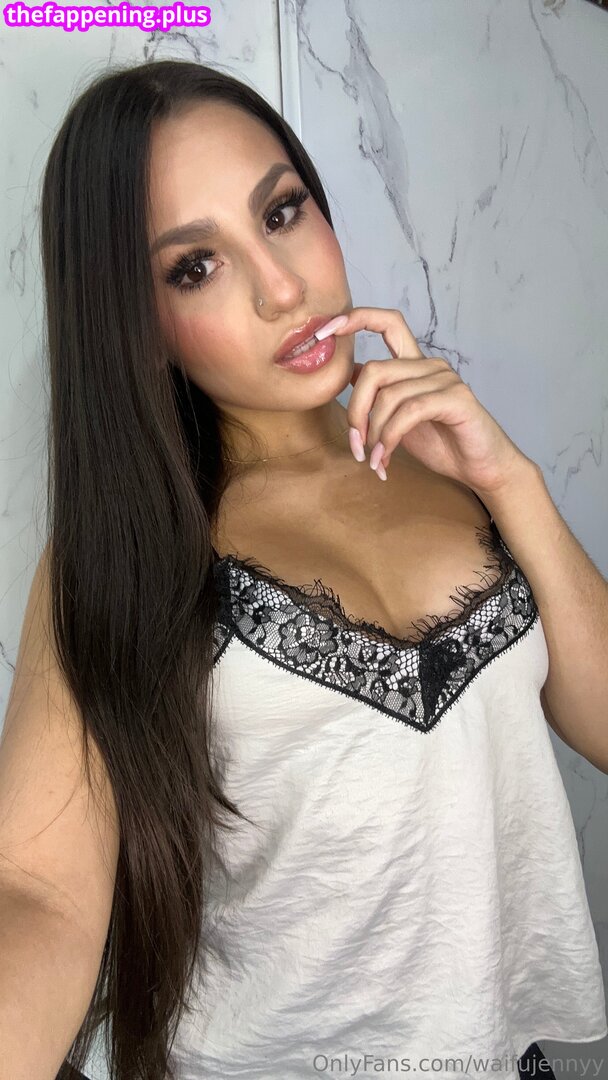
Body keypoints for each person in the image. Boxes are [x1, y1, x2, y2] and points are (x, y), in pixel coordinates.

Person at [1, 58, 605, 1080]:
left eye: (281, 213)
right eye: (195, 266)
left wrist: (512, 481)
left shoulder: (452, 464)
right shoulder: (125, 552)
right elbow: (38, 892)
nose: (283, 289)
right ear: (138, 323)